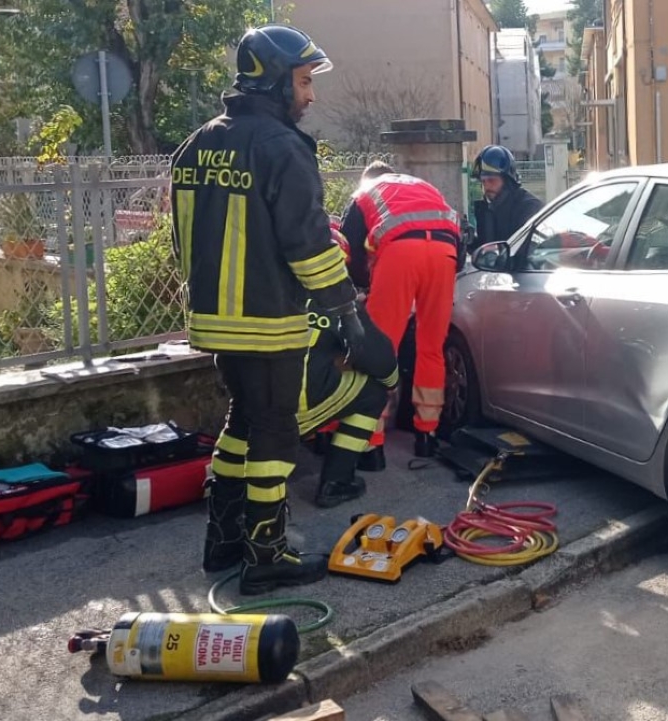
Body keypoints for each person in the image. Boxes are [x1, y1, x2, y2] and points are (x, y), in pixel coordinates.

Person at [171, 24, 365, 594]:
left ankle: (223, 540)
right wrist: (347, 314)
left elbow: (186, 237)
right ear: (277, 81)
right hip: (268, 318)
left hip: (215, 321)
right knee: (277, 433)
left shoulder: (199, 142)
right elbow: (308, 245)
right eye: (304, 81)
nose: (310, 95)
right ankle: (266, 553)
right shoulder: (281, 148)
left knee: (243, 421)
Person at [341, 162, 460, 458]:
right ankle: (427, 434)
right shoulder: (422, 186)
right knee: (431, 347)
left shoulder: (365, 193)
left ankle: (372, 443)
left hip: (400, 255)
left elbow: (347, 248)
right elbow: (460, 238)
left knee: (382, 349)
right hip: (445, 253)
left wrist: (365, 285)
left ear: (366, 179)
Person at [296, 233, 398, 508]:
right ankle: (336, 482)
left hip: (249, 407)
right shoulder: (339, 300)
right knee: (374, 393)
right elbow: (379, 357)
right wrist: (392, 381)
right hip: (291, 409)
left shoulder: (268, 291)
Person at [470, 145, 543, 250]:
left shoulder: (528, 207)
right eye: (483, 181)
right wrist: (469, 240)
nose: (486, 186)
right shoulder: (487, 209)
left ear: (507, 180)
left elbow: (525, 249)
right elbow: (485, 248)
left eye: (491, 180)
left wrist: (496, 251)